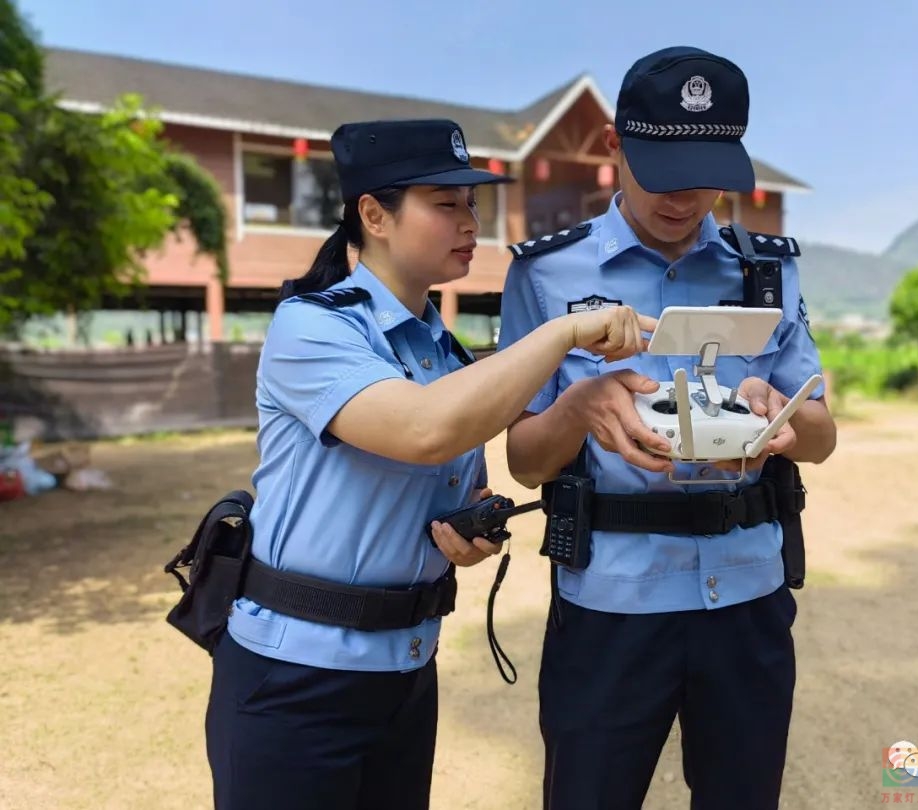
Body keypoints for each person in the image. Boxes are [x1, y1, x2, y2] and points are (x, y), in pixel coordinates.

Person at [203, 117, 656, 810]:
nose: (470, 221)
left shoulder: (443, 352)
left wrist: (467, 536)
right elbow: (424, 430)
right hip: (294, 676)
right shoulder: (314, 325)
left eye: (472, 204)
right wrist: (564, 330)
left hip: (406, 670)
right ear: (373, 215)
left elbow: (454, 477)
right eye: (446, 204)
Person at [497, 47, 838, 809]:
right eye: (661, 168)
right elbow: (522, 459)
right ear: (615, 146)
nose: (684, 196)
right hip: (612, 600)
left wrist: (781, 421)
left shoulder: (768, 270)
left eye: (706, 172)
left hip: (747, 594)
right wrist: (578, 410)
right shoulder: (545, 274)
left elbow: (820, 431)